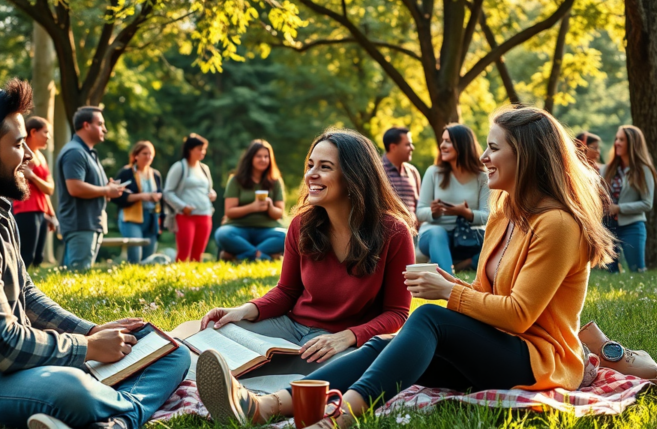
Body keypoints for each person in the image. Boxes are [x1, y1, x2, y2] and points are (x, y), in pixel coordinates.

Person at [195, 106, 616, 429]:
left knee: (429, 318)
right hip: (499, 348)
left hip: (540, 360)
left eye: (493, 147)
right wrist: (450, 282)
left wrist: (447, 293)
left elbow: (521, 315)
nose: (484, 156)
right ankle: (266, 406)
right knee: (381, 347)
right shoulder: (506, 212)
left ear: (525, 155)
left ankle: (342, 417)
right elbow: (492, 296)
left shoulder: (558, 223)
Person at [0, 78, 190, 429]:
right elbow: (2, 346)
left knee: (170, 351)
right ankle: (118, 418)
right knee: (72, 391)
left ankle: (113, 420)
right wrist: (87, 348)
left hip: (1, 359)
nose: (30, 156)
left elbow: (26, 294)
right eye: (19, 144)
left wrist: (92, 331)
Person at [199, 128, 415, 376]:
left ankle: (269, 390)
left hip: (343, 340)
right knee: (218, 332)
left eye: (324, 167)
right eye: (310, 165)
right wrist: (242, 311)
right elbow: (286, 291)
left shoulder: (394, 232)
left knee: (344, 369)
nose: (311, 175)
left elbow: (397, 313)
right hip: (291, 327)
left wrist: (348, 337)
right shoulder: (300, 225)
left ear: (354, 176)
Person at [56, 106, 124, 269]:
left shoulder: (87, 152)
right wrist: (107, 190)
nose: (105, 129)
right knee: (77, 276)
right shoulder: (75, 152)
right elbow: (75, 188)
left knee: (78, 277)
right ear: (86, 125)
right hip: (81, 224)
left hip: (89, 224)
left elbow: (89, 188)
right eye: (100, 124)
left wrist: (107, 189)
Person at [416, 124, 489, 273]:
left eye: (448, 141)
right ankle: (449, 281)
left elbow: (488, 216)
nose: (442, 145)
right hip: (435, 236)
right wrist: (434, 213)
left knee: (500, 241)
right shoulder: (433, 172)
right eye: (442, 141)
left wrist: (466, 213)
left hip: (469, 237)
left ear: (462, 144)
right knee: (437, 232)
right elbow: (420, 211)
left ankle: (464, 264)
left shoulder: (482, 177)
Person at [215, 140, 286, 261]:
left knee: (286, 236)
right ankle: (265, 256)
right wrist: (253, 207)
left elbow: (279, 213)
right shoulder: (236, 180)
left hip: (267, 230)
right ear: (250, 158)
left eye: (266, 156)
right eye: (259, 156)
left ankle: (237, 256)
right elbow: (229, 212)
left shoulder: (275, 181)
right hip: (238, 229)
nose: (263, 159)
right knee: (223, 234)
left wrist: (270, 206)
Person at [600, 125, 656, 273]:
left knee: (636, 269)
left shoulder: (644, 170)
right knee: (610, 272)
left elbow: (647, 203)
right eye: (616, 138)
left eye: (622, 140)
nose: (617, 142)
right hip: (608, 225)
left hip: (632, 225)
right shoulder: (607, 169)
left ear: (633, 144)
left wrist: (619, 208)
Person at [163, 133, 217, 262]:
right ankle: (179, 279)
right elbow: (168, 192)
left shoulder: (204, 169)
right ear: (190, 150)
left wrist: (212, 194)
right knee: (184, 254)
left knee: (198, 255)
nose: (202, 152)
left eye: (204, 149)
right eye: (199, 149)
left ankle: (194, 281)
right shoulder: (179, 167)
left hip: (205, 214)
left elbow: (209, 189)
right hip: (185, 216)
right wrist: (183, 206)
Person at [13, 116, 58, 268]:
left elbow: (49, 189)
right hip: (25, 210)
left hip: (41, 212)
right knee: (26, 255)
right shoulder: (20, 155)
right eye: (46, 132)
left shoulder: (41, 157)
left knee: (38, 257)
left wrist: (51, 214)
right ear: (33, 132)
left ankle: (34, 288)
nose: (48, 137)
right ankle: (19, 287)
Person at [112, 141, 164, 263]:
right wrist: (142, 196)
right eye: (144, 153)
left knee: (149, 257)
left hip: (151, 218)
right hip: (131, 218)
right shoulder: (126, 172)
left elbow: (161, 193)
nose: (148, 157)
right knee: (135, 255)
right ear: (136, 155)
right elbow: (115, 195)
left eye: (150, 154)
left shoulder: (155, 174)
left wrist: (157, 196)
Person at [381, 127, 421, 221]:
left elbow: (419, 205)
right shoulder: (378, 171)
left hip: (413, 233)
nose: (412, 148)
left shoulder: (413, 172)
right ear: (393, 147)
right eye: (408, 144)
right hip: (388, 233)